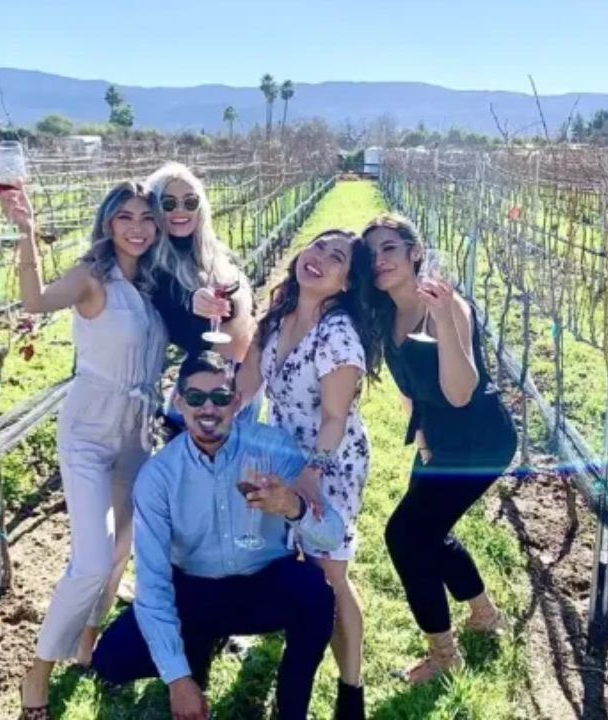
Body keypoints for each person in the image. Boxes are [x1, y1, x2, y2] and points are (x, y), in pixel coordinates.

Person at [0, 180, 168, 718]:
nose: (137, 227)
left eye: (146, 217)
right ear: (108, 223)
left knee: (120, 550)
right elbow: (35, 300)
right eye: (125, 217)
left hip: (138, 433)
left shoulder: (161, 282)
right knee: (92, 559)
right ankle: (38, 672)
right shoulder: (94, 278)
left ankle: (87, 641)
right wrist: (26, 234)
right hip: (90, 429)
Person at [92, 351, 343, 720]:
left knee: (315, 594)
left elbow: (332, 534)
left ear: (237, 401)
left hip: (262, 584)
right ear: (179, 402)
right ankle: (196, 650)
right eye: (195, 397)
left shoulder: (273, 447)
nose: (208, 408)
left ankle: (291, 707)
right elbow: (153, 583)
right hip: (194, 590)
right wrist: (177, 680)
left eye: (221, 397)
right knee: (112, 662)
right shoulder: (158, 477)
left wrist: (293, 506)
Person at [362, 213, 518, 683]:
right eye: (370, 253)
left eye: (389, 248)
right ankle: (485, 615)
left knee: (406, 536)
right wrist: (423, 434)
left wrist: (447, 317)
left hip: (480, 441)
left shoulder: (448, 308)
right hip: (439, 440)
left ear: (415, 252)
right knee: (429, 528)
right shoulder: (386, 313)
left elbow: (459, 392)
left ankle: (445, 657)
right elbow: (411, 387)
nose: (379, 260)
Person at [234, 229, 380, 720]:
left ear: (344, 282)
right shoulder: (280, 313)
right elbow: (248, 381)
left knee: (330, 575)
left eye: (336, 258)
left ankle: (350, 690)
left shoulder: (337, 335)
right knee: (280, 555)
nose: (319, 258)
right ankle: (289, 638)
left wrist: (312, 474)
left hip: (330, 462)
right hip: (280, 452)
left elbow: (335, 418)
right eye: (317, 247)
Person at [144, 162, 260, 437]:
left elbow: (241, 313)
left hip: (244, 382)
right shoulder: (152, 266)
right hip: (205, 395)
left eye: (190, 201)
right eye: (169, 203)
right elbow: (171, 305)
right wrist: (193, 302)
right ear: (156, 209)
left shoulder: (215, 256)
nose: (180, 211)